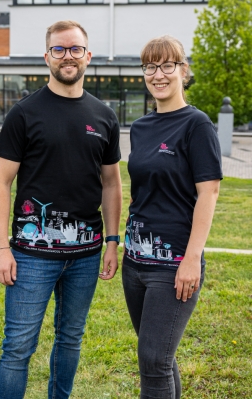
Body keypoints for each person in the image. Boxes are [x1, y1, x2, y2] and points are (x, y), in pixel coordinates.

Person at [0, 20, 122, 399]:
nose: (68, 56)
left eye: (76, 49)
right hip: (31, 257)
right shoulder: (24, 113)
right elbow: (1, 183)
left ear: (88, 56)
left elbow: (112, 183)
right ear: (47, 56)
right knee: (17, 348)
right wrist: (2, 248)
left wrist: (112, 241)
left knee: (70, 340)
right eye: (60, 49)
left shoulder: (104, 116)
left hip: (85, 255)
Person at [122, 35, 222, 399]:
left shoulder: (197, 125)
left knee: (153, 358)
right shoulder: (141, 127)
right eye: (150, 66)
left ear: (183, 70)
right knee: (160, 359)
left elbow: (208, 191)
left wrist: (192, 259)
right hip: (135, 263)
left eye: (166, 65)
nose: (157, 74)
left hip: (174, 263)